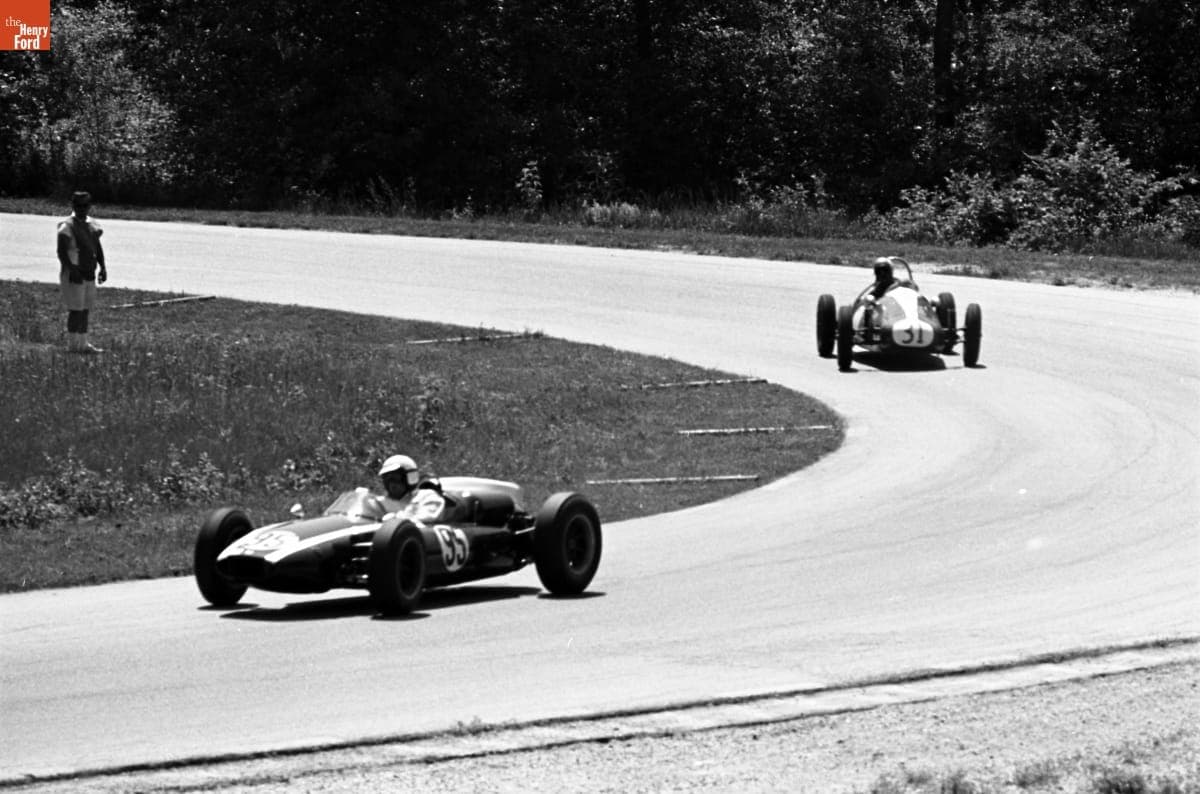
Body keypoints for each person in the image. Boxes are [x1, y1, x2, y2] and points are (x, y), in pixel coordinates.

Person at [56, 191, 108, 354]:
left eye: (85, 205)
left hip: (89, 272)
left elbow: (96, 247)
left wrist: (103, 266)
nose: (81, 209)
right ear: (72, 205)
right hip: (74, 274)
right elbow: (61, 252)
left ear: (89, 206)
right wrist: (72, 270)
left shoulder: (92, 224)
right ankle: (73, 346)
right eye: (78, 205)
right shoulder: (67, 225)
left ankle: (83, 344)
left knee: (85, 310)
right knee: (76, 310)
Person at [377, 454, 444, 523]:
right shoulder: (381, 502)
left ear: (410, 477)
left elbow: (427, 516)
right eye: (387, 479)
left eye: (395, 478)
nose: (392, 484)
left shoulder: (427, 496)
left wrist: (395, 518)